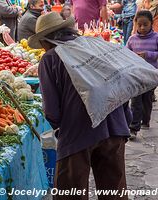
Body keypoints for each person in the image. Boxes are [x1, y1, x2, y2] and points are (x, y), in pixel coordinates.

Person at [28, 12, 131, 200]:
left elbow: (52, 111)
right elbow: (122, 85)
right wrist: (125, 118)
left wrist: (58, 131)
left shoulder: (50, 58)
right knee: (114, 192)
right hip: (114, 126)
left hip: (78, 132)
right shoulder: (98, 46)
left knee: (70, 192)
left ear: (45, 41)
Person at [126, 10, 158, 138]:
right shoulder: (132, 39)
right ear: (135, 24)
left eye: (145, 24)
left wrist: (148, 54)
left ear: (151, 24)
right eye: (140, 25)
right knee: (136, 101)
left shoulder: (157, 38)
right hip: (137, 76)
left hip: (150, 76)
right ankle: (134, 127)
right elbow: (126, 54)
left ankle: (146, 120)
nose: (142, 28)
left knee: (147, 100)